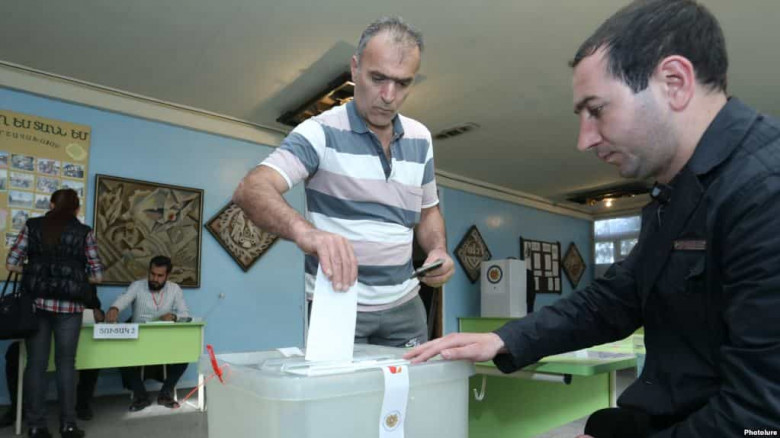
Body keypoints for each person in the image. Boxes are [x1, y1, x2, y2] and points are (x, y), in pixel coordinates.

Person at [405, 1, 780, 436]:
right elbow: (617, 298)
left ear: (674, 83)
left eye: (597, 110)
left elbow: (760, 418)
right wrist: (504, 339)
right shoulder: (673, 193)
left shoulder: (764, 189)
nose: (584, 140)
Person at [233, 16, 454, 348]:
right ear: (355, 68)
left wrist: (437, 249)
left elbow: (428, 211)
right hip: (337, 303)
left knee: (412, 383)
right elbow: (251, 188)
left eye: (402, 83)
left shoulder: (420, 138)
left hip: (406, 306)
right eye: (377, 78)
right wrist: (307, 233)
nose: (388, 96)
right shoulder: (320, 132)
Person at [6, 189, 102, 438]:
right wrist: (76, 276)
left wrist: (33, 271)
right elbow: (97, 275)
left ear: (50, 204)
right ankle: (68, 425)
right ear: (76, 209)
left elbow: (11, 263)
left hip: (36, 306)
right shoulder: (84, 232)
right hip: (70, 308)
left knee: (35, 365)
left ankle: (36, 426)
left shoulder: (32, 226)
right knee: (66, 365)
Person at [0, 285, 103, 426]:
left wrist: (98, 313)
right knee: (14, 355)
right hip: (38, 333)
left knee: (94, 354)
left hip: (73, 338)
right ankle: (17, 408)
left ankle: (82, 404)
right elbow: (23, 303)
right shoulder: (36, 278)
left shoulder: (83, 281)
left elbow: (96, 310)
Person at [105, 256, 190, 411]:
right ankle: (141, 397)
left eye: (160, 276)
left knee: (186, 354)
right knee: (120, 354)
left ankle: (165, 394)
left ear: (167, 276)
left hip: (164, 340)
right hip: (138, 341)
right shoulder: (137, 286)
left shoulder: (175, 289)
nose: (154, 279)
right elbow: (124, 298)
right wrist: (114, 308)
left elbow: (185, 314)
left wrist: (174, 317)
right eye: (152, 274)